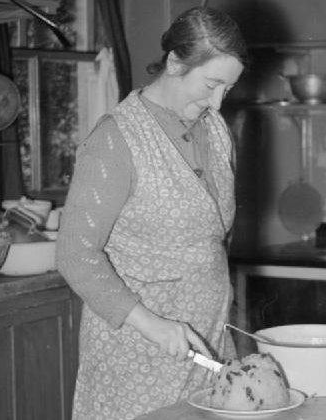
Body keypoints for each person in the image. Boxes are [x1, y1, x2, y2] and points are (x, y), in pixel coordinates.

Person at [56, 6, 247, 420]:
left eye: (227, 90)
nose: (217, 102)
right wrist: (152, 324)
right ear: (175, 62)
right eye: (212, 84)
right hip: (136, 351)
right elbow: (75, 254)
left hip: (209, 343)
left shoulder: (215, 131)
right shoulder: (117, 139)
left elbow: (212, 237)